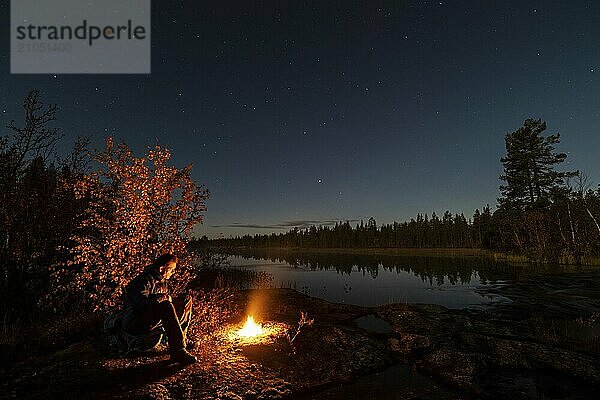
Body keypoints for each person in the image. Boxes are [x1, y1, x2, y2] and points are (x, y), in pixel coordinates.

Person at [122, 253, 197, 365]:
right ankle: (178, 351)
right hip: (136, 322)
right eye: (171, 269)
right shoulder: (143, 280)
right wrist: (164, 298)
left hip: (152, 318)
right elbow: (140, 304)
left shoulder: (162, 282)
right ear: (162, 268)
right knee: (166, 305)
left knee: (185, 299)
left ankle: (182, 341)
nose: (173, 272)